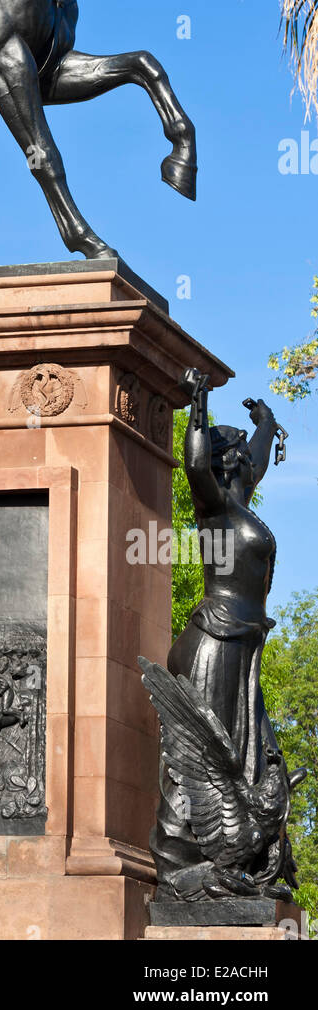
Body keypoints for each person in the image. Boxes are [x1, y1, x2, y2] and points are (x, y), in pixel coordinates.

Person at [151, 369, 297, 897]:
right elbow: (193, 462)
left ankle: (241, 868)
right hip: (214, 643)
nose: (249, 459)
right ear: (227, 461)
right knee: (207, 752)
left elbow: (255, 455)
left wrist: (267, 423)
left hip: (240, 646)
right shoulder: (214, 509)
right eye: (241, 450)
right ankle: (183, 870)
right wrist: (197, 399)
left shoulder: (240, 500)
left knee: (253, 757)